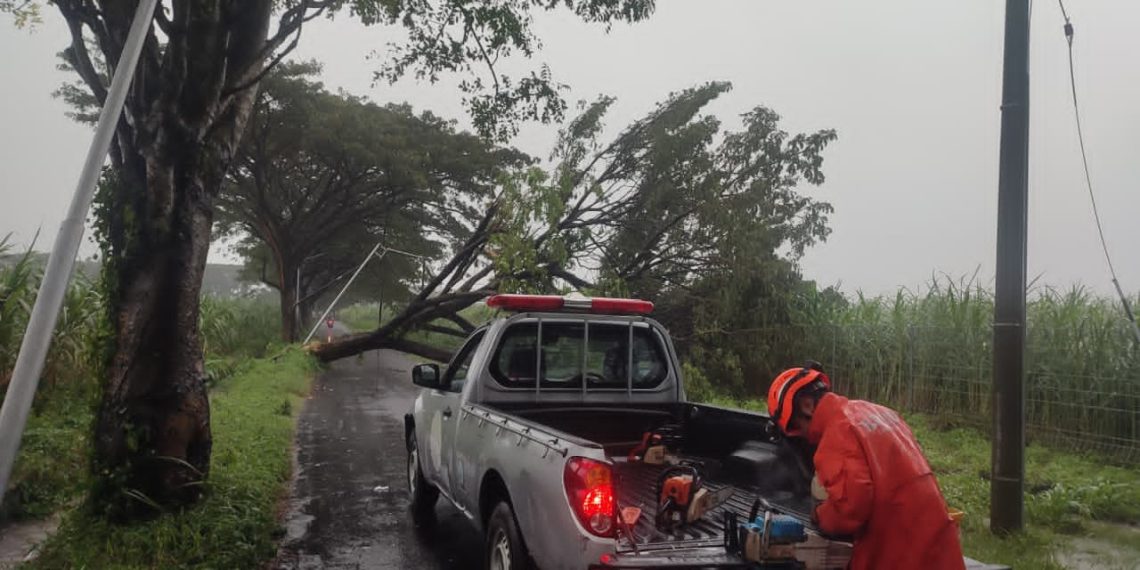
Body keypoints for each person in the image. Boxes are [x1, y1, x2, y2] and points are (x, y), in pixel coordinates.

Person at [767, 362, 965, 570]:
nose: (803, 436)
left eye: (796, 427)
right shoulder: (880, 412)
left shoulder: (837, 433)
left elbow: (850, 511)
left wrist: (820, 514)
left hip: (901, 556)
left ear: (807, 405)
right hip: (941, 548)